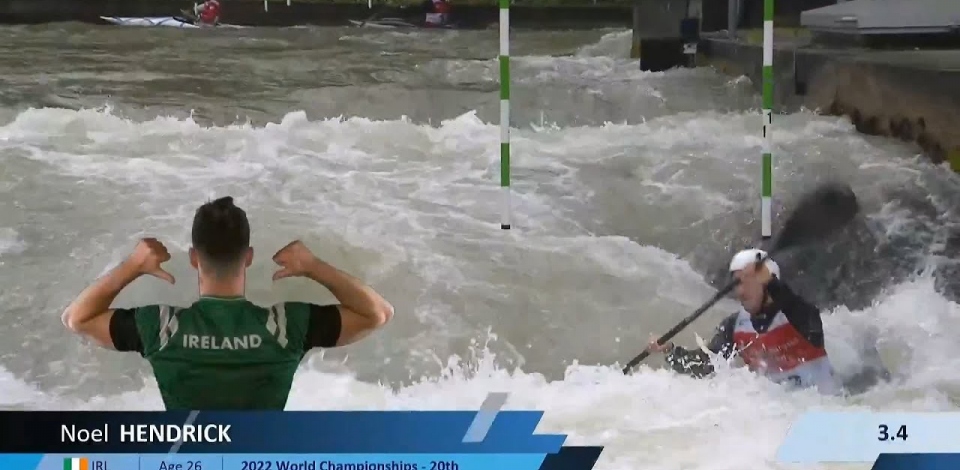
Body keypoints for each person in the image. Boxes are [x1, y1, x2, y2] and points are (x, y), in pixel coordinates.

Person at [62, 196, 394, 409]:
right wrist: (312, 266)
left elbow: (77, 318)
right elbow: (377, 313)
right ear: (248, 257)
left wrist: (133, 266)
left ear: (194, 258)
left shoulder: (161, 329)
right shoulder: (286, 327)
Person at [645, 248, 842, 395]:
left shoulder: (800, 315)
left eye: (746, 283)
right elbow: (706, 365)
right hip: (780, 413)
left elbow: (792, 304)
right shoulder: (734, 326)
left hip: (824, 406)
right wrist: (670, 351)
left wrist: (771, 282)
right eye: (736, 284)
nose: (739, 291)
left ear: (767, 282)